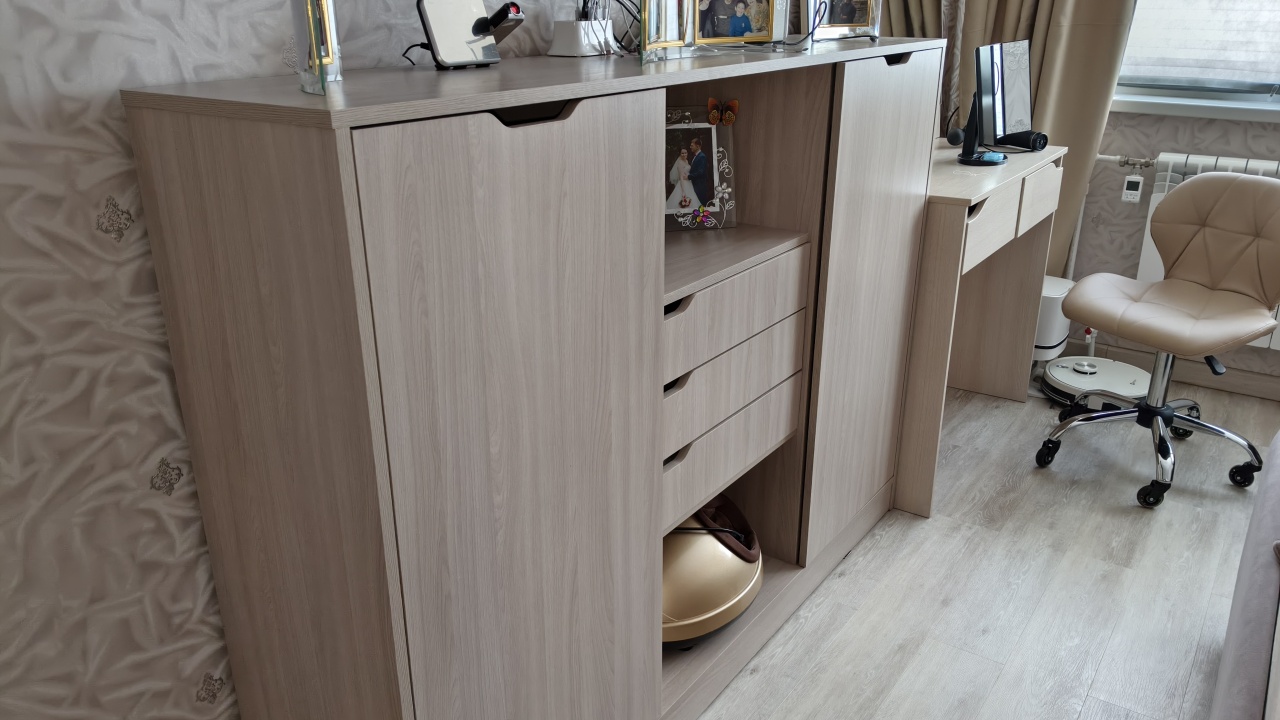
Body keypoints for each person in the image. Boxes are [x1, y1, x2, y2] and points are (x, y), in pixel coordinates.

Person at [686, 137, 713, 208]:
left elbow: (701, 172)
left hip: (699, 186)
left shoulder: (702, 157)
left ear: (698, 146)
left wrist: (689, 176)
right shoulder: (696, 156)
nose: (690, 147)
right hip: (695, 185)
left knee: (700, 205)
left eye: (692, 145)